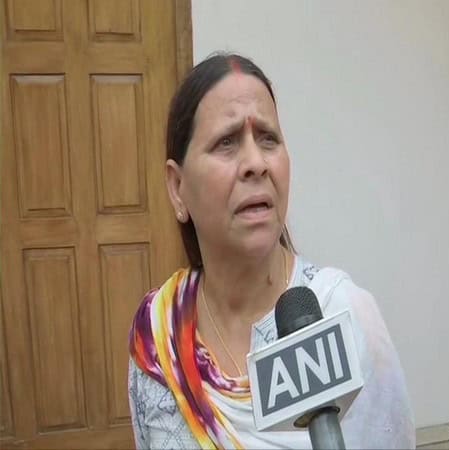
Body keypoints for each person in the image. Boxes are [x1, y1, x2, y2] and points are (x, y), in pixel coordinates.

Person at [128, 52, 415, 449]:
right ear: (178, 188)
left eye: (268, 138)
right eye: (227, 142)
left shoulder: (347, 316)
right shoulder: (158, 336)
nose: (256, 163)